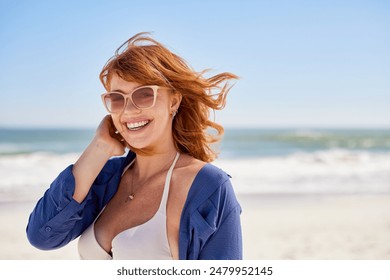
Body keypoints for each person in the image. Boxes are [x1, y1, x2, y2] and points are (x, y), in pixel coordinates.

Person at [26, 32, 242, 260]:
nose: (128, 111)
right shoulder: (106, 177)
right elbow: (42, 236)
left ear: (174, 101)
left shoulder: (209, 187)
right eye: (117, 99)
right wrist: (99, 147)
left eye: (144, 94)